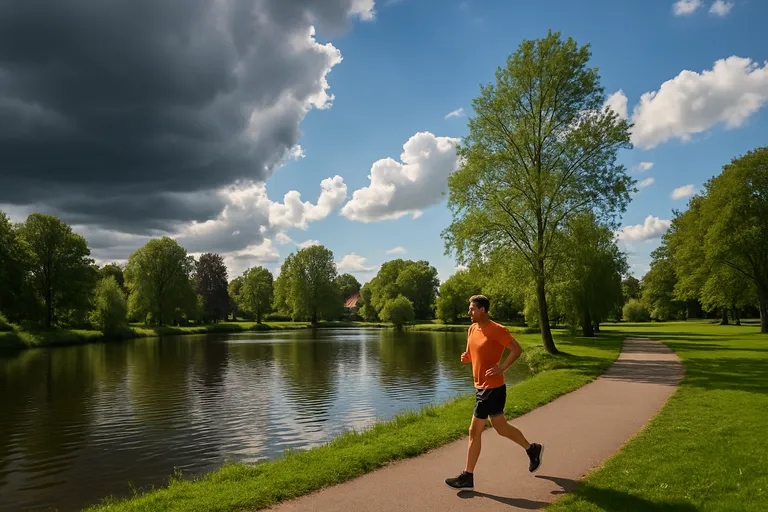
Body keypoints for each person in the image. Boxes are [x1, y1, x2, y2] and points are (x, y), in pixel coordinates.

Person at [445, 295, 543, 491]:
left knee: (474, 431)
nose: (469, 312)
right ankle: (532, 449)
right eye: (469, 309)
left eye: (472, 309)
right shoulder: (472, 328)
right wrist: (467, 358)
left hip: (492, 388)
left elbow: (516, 349)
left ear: (483, 310)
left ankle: (467, 476)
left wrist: (503, 368)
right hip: (481, 387)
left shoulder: (497, 330)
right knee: (501, 428)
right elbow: (473, 354)